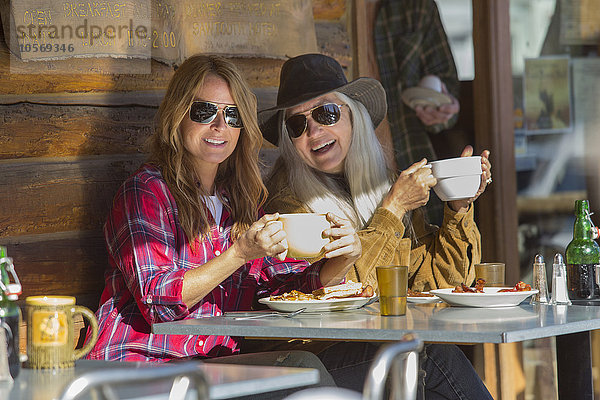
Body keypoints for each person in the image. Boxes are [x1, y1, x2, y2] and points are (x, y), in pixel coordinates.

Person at [83, 54, 361, 385]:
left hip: (213, 370)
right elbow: (159, 302)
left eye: (232, 115)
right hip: (140, 368)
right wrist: (239, 254)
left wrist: (342, 258)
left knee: (389, 357)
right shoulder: (146, 192)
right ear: (178, 116)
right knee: (305, 369)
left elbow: (286, 288)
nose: (219, 126)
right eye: (204, 112)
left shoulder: (239, 202)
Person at [259, 53, 493, 399]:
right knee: (427, 355)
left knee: (426, 373)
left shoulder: (383, 185)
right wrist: (393, 208)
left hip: (377, 346)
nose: (313, 131)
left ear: (354, 116)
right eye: (297, 125)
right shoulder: (287, 206)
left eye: (326, 113)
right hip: (315, 359)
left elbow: (442, 282)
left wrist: (458, 204)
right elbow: (344, 291)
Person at [373, 0, 461, 225]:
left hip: (408, 158)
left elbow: (445, 86)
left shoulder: (417, 7)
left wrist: (442, 111)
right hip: (354, 172)